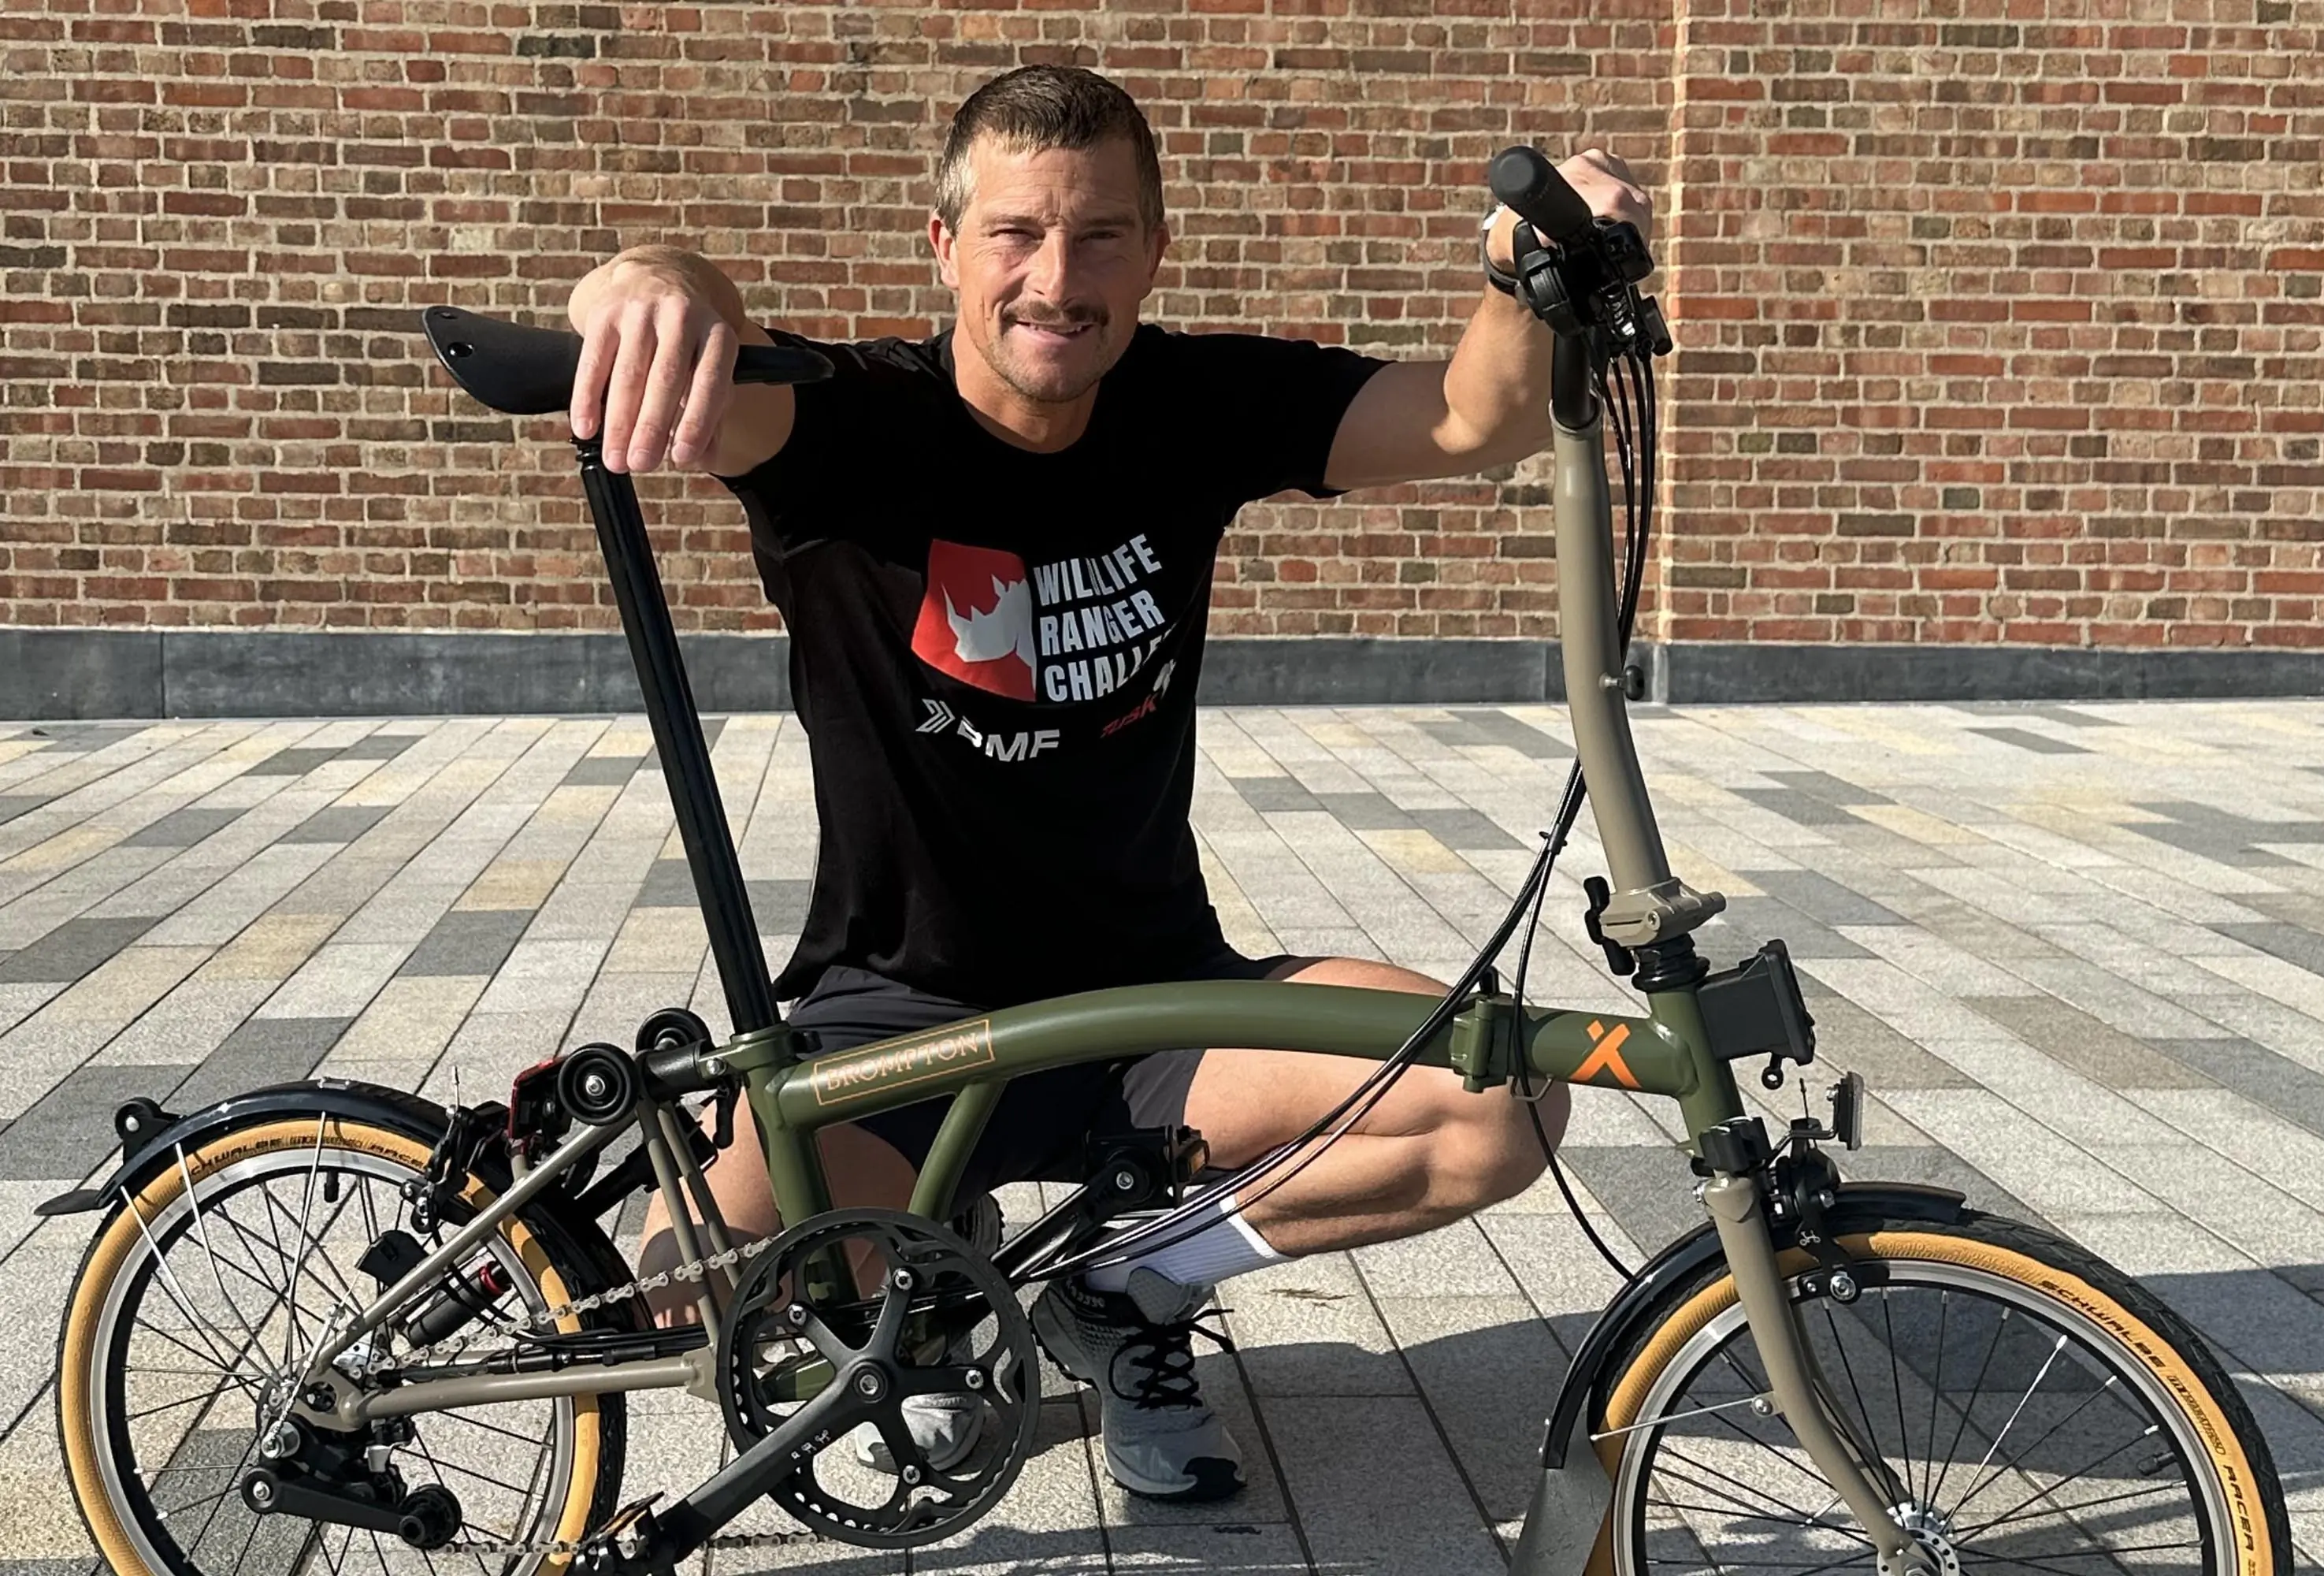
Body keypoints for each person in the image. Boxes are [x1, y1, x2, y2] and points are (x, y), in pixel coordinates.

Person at [565, 65, 1651, 1503]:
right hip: (899, 1017)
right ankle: (937, 1318)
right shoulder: (850, 427)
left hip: (1153, 1007)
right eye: (1015, 233)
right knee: (681, 1282)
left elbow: (1468, 419)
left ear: (1151, 248)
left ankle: (1121, 1286)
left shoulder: (1190, 402)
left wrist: (1528, 272)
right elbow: (694, 352)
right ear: (944, 245)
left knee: (1495, 1100)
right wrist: (653, 279)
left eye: (1098, 238)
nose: (1055, 281)